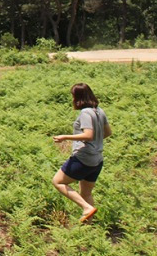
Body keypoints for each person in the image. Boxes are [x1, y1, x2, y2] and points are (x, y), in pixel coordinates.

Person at [52, 83, 113, 223]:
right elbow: (108, 132)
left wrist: (65, 137)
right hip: (97, 159)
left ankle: (86, 208)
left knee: (58, 182)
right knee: (86, 193)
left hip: (83, 158)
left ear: (77, 97)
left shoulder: (85, 113)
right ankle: (88, 226)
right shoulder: (99, 111)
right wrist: (95, 143)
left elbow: (88, 135)